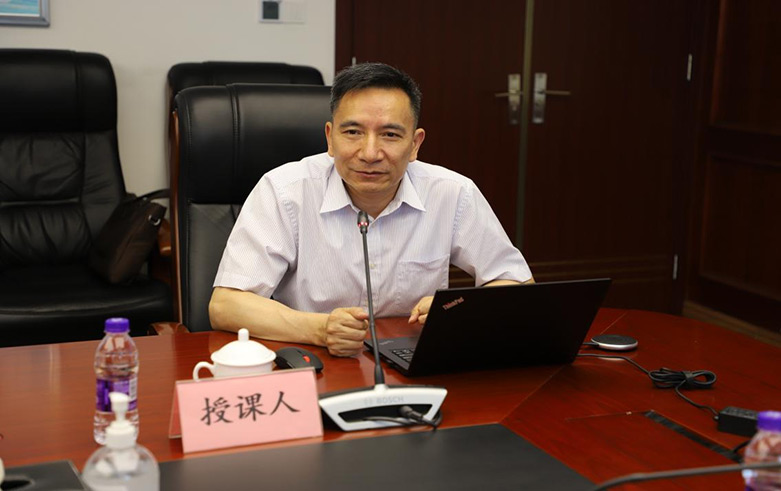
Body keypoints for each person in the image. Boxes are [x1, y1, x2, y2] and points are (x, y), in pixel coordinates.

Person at [209, 62, 533, 357]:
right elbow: (226, 306)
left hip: (413, 359)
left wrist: (457, 310)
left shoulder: (452, 192)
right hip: (312, 358)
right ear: (330, 138)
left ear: (415, 144)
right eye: (353, 132)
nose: (370, 153)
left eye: (390, 135)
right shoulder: (284, 191)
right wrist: (319, 329)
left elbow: (518, 285)